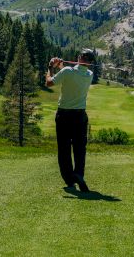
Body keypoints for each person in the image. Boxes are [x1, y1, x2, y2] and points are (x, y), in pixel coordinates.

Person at [46, 49, 95, 192]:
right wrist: (61, 67)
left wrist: (51, 67)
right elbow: (70, 74)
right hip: (80, 117)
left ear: (79, 57)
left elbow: (49, 82)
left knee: (64, 149)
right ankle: (78, 174)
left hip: (64, 116)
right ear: (90, 62)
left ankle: (69, 180)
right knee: (80, 148)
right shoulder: (89, 75)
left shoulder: (67, 71)